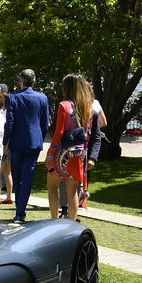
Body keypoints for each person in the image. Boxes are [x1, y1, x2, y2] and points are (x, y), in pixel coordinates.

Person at [46, 73, 101, 221]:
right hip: (79, 154)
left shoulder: (64, 105)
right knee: (72, 192)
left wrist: (50, 153)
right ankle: (71, 222)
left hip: (62, 152)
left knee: (52, 185)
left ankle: (53, 220)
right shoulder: (89, 109)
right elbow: (93, 135)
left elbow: (59, 132)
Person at [3, 68, 50, 223]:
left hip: (17, 142)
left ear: (21, 81)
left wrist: (5, 142)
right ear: (34, 80)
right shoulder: (42, 98)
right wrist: (39, 138)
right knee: (27, 177)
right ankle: (20, 211)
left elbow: (9, 122)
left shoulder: (13, 97)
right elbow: (45, 123)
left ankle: (20, 211)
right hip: (33, 142)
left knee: (17, 178)